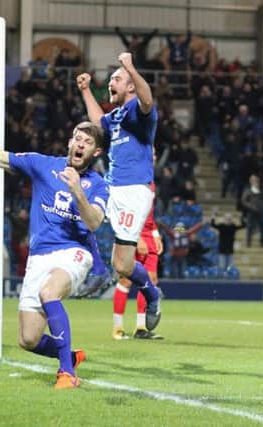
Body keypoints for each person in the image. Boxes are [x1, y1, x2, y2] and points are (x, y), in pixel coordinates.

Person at [0, 101, 108, 389]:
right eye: (78, 138)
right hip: (38, 257)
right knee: (28, 339)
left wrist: (78, 192)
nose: (81, 144)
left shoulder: (98, 185)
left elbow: (94, 222)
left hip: (73, 253)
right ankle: (70, 356)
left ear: (95, 152)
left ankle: (67, 374)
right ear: (70, 141)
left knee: (49, 292)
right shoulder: (42, 165)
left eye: (88, 142)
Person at [77, 52, 161, 332]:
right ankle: (92, 270)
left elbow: (148, 98)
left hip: (134, 192)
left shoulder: (140, 111)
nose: (110, 82)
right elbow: (98, 122)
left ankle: (151, 293)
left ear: (130, 86)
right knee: (77, 207)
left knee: (124, 266)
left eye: (117, 79)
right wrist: (86, 90)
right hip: (111, 186)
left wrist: (130, 66)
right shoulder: (116, 117)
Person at [112, 185, 164, 340]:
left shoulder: (151, 182)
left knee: (151, 279)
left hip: (149, 232)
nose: (153, 158)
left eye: (154, 157)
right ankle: (117, 327)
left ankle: (141, 328)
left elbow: (149, 213)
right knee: (126, 279)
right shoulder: (133, 179)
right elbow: (126, 209)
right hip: (132, 231)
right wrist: (138, 237)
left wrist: (155, 234)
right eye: (152, 157)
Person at [241, 175, 263, 248]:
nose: (255, 182)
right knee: (249, 227)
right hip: (251, 211)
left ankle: (262, 242)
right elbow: (244, 201)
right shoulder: (247, 190)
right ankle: (248, 242)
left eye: (256, 180)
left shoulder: (262, 190)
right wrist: (251, 206)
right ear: (251, 181)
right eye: (253, 180)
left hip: (260, 211)